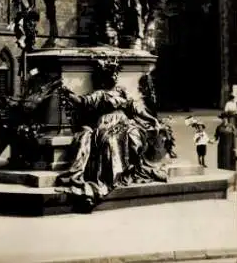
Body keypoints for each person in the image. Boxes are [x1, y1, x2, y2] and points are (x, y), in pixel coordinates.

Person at [56, 57, 167, 210]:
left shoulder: (121, 91)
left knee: (135, 136)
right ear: (105, 78)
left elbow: (135, 108)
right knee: (110, 142)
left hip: (126, 123)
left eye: (115, 74)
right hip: (107, 125)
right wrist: (68, 93)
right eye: (111, 75)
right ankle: (109, 179)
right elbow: (83, 102)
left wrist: (152, 119)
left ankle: (129, 168)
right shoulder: (100, 94)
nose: (114, 77)